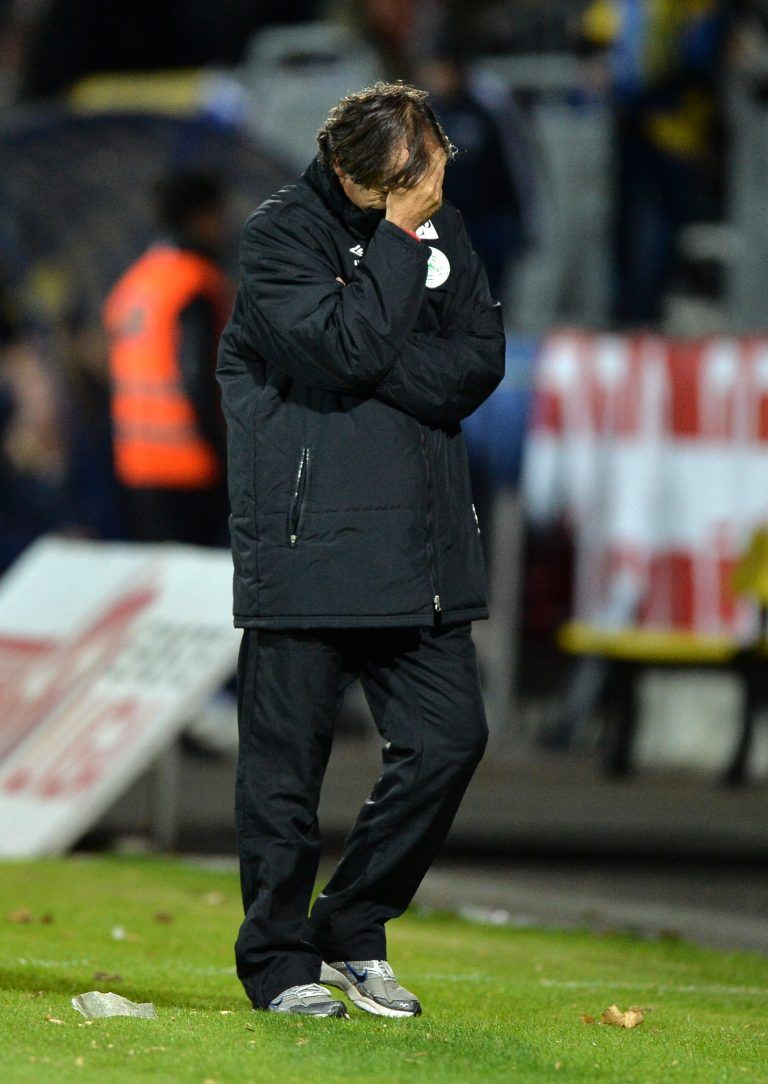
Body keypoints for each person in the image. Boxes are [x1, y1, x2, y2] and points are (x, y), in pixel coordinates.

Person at [217, 81, 505, 1018]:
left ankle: (353, 922)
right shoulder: (277, 238)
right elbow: (342, 351)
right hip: (310, 548)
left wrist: (382, 352)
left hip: (420, 552)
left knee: (450, 741)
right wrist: (390, 270)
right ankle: (276, 959)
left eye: (435, 162)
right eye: (413, 174)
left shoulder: (441, 227)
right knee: (284, 776)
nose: (434, 183)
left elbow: (478, 360)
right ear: (352, 173)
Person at [105, 171, 231, 546]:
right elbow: (198, 378)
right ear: (199, 216)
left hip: (136, 465)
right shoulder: (193, 282)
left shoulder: (135, 281)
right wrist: (225, 457)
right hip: (191, 467)